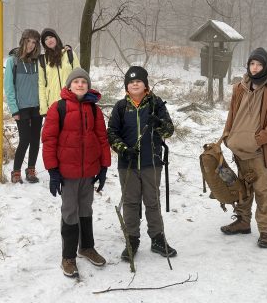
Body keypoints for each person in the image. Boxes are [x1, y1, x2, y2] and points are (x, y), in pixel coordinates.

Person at [41, 67, 111, 278]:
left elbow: (102, 138)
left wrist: (103, 167)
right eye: (76, 81)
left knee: (86, 209)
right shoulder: (58, 108)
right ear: (69, 85)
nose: (80, 84)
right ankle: (68, 256)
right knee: (70, 211)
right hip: (68, 173)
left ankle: (86, 247)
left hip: (89, 171)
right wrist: (53, 170)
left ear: (88, 86)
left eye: (84, 82)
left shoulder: (94, 110)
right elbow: (49, 140)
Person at [107, 66, 176, 263]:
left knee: (152, 201)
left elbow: (169, 131)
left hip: (151, 162)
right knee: (130, 202)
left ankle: (157, 238)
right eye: (131, 82)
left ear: (145, 84)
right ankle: (132, 239)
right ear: (126, 87)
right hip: (127, 164)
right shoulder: (120, 107)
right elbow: (111, 133)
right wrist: (123, 149)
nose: (135, 83)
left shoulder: (155, 104)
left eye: (138, 81)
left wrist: (159, 124)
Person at [220, 47, 267, 249]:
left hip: (259, 151)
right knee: (242, 188)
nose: (255, 68)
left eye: (259, 64)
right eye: (252, 64)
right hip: (238, 149)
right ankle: (242, 222)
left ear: (265, 66)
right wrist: (227, 134)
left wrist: (258, 139)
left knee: (263, 190)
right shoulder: (240, 88)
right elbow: (232, 113)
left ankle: (265, 230)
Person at [4, 29, 42, 184]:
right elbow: (9, 87)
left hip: (38, 106)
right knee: (25, 139)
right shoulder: (12, 61)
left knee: (35, 139)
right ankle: (16, 171)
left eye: (34, 42)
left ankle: (31, 169)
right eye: (29, 41)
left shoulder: (38, 61)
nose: (31, 45)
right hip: (22, 107)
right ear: (23, 40)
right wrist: (14, 109)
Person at [38, 28, 79, 116]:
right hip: (53, 105)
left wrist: (79, 99)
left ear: (56, 38)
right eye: (45, 39)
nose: (49, 40)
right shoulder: (43, 60)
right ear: (44, 43)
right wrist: (44, 108)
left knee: (71, 129)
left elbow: (79, 77)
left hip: (71, 102)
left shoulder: (69, 54)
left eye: (51, 37)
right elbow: (41, 85)